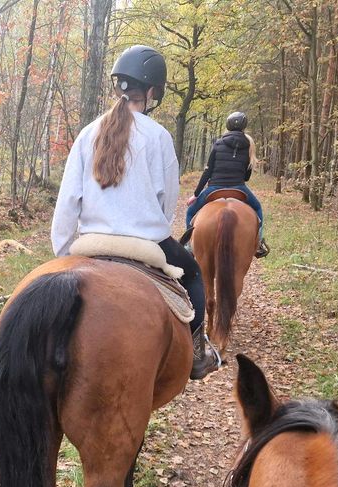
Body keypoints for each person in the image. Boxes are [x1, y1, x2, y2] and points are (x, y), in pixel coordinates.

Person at [51, 45, 219, 380]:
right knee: (195, 275)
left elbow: (68, 200)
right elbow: (166, 201)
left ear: (119, 87)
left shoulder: (88, 133)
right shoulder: (158, 136)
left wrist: (63, 254)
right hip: (144, 243)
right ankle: (197, 353)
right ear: (153, 91)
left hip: (91, 242)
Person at [185, 112, 268, 258]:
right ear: (244, 126)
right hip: (238, 187)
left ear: (227, 126)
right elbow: (247, 177)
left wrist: (196, 194)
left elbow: (208, 171)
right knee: (258, 208)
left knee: (190, 212)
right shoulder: (249, 145)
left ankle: (188, 245)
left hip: (214, 188)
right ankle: (259, 242)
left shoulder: (218, 143)